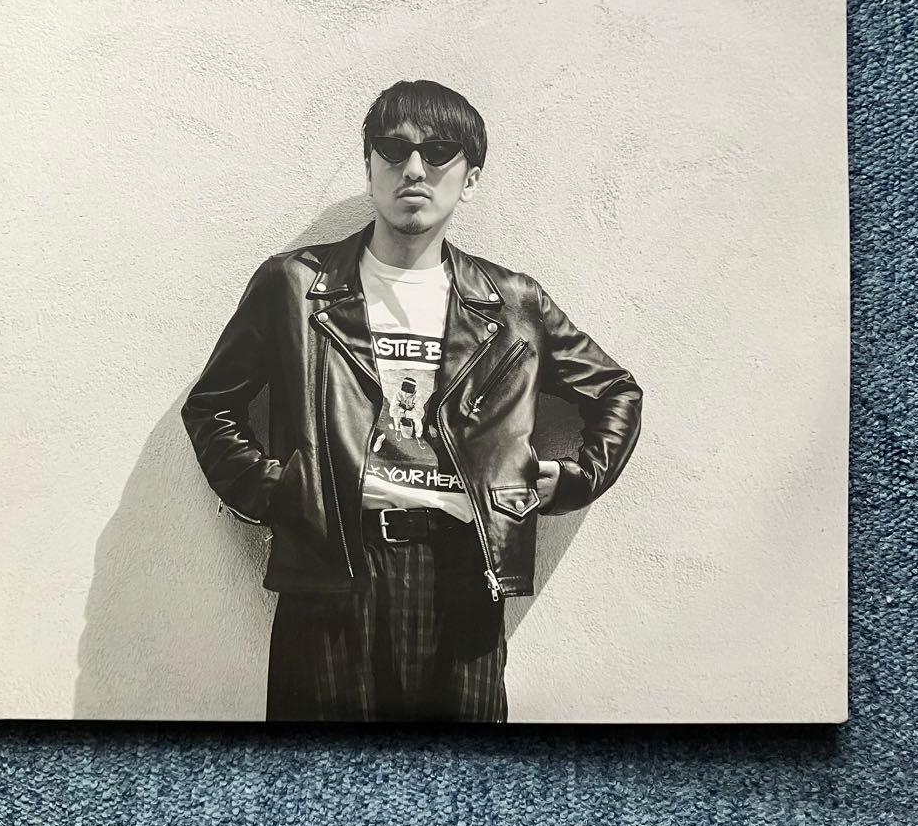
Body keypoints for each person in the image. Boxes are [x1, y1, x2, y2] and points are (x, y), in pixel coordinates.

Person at [181, 79, 643, 722]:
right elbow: (211, 406)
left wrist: (568, 481)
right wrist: (278, 493)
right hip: (330, 578)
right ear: (369, 164)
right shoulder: (295, 286)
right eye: (394, 150)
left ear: (470, 177)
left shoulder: (513, 305)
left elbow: (617, 391)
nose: (414, 169)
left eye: (440, 152)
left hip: (466, 576)